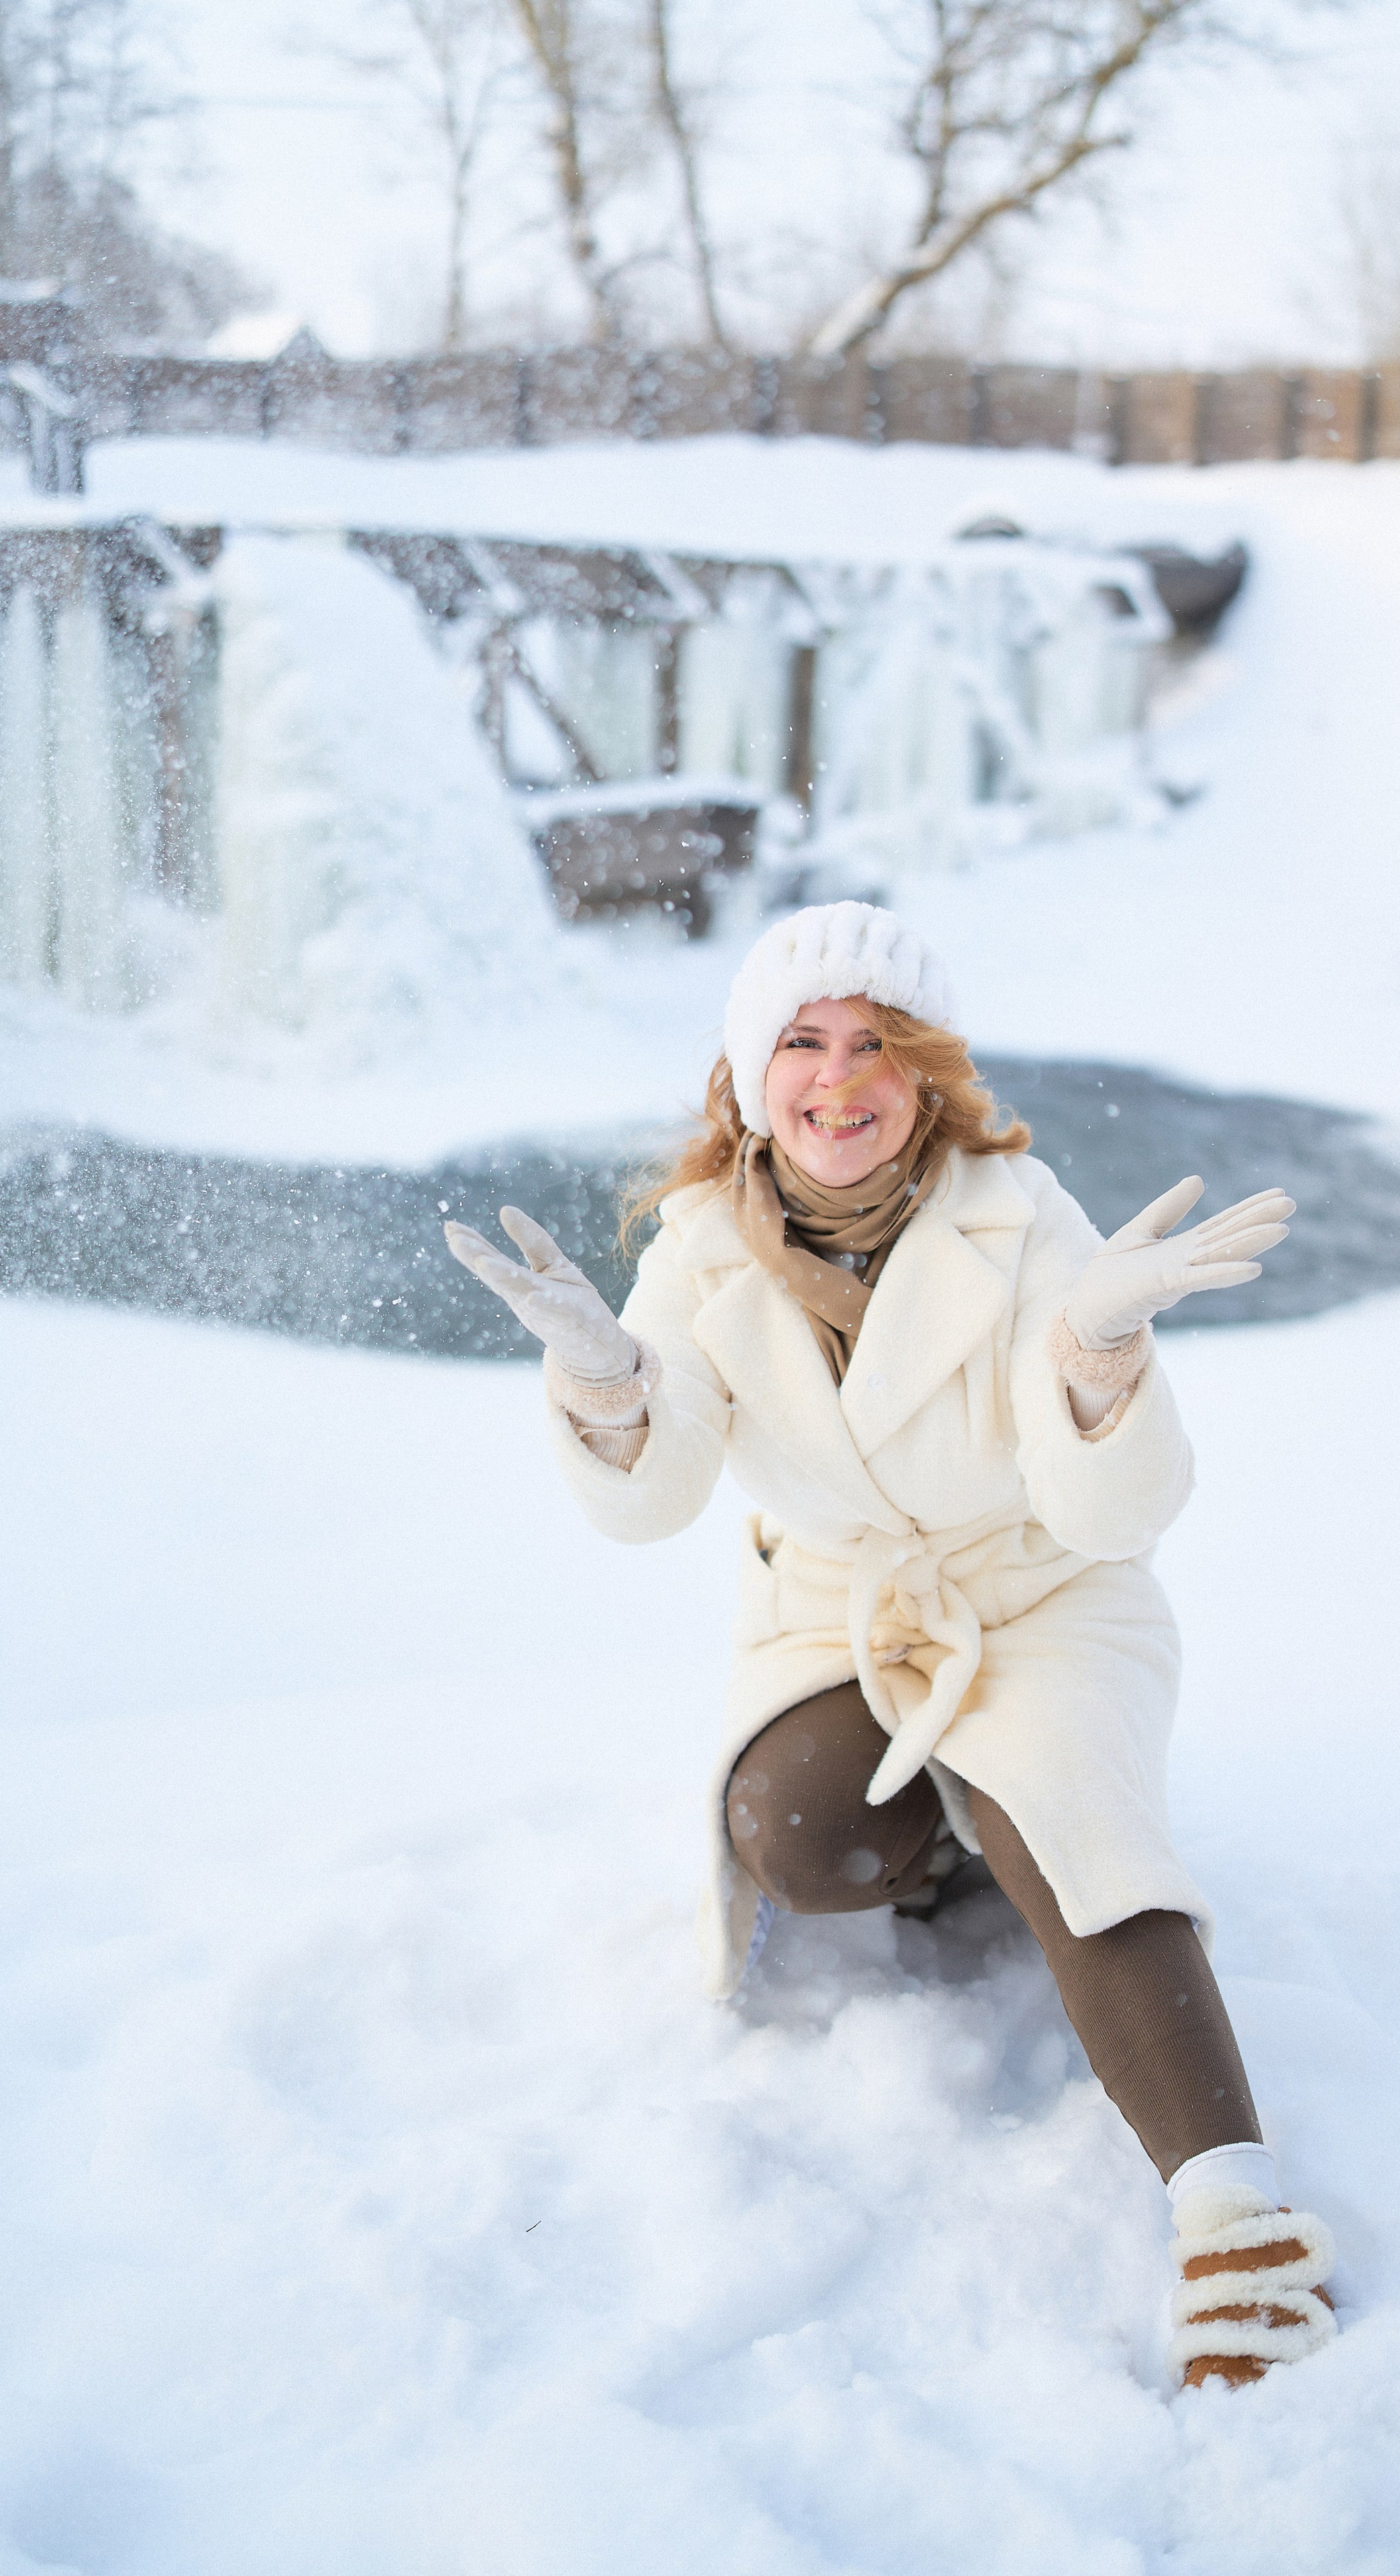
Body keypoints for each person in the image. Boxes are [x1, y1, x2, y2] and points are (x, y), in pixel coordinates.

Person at [447, 901, 1337, 2391]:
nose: (837, 1078)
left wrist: (1096, 1366)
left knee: (1069, 1831)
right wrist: (608, 1386)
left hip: (1039, 1593)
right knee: (797, 1837)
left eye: (877, 1045)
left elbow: (1106, 1517)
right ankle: (946, 1842)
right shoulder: (704, 1245)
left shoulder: (1018, 1218)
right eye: (802, 1041)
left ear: (924, 1077)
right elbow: (654, 1498)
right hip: (836, 1608)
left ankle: (1234, 2218)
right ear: (749, 1072)